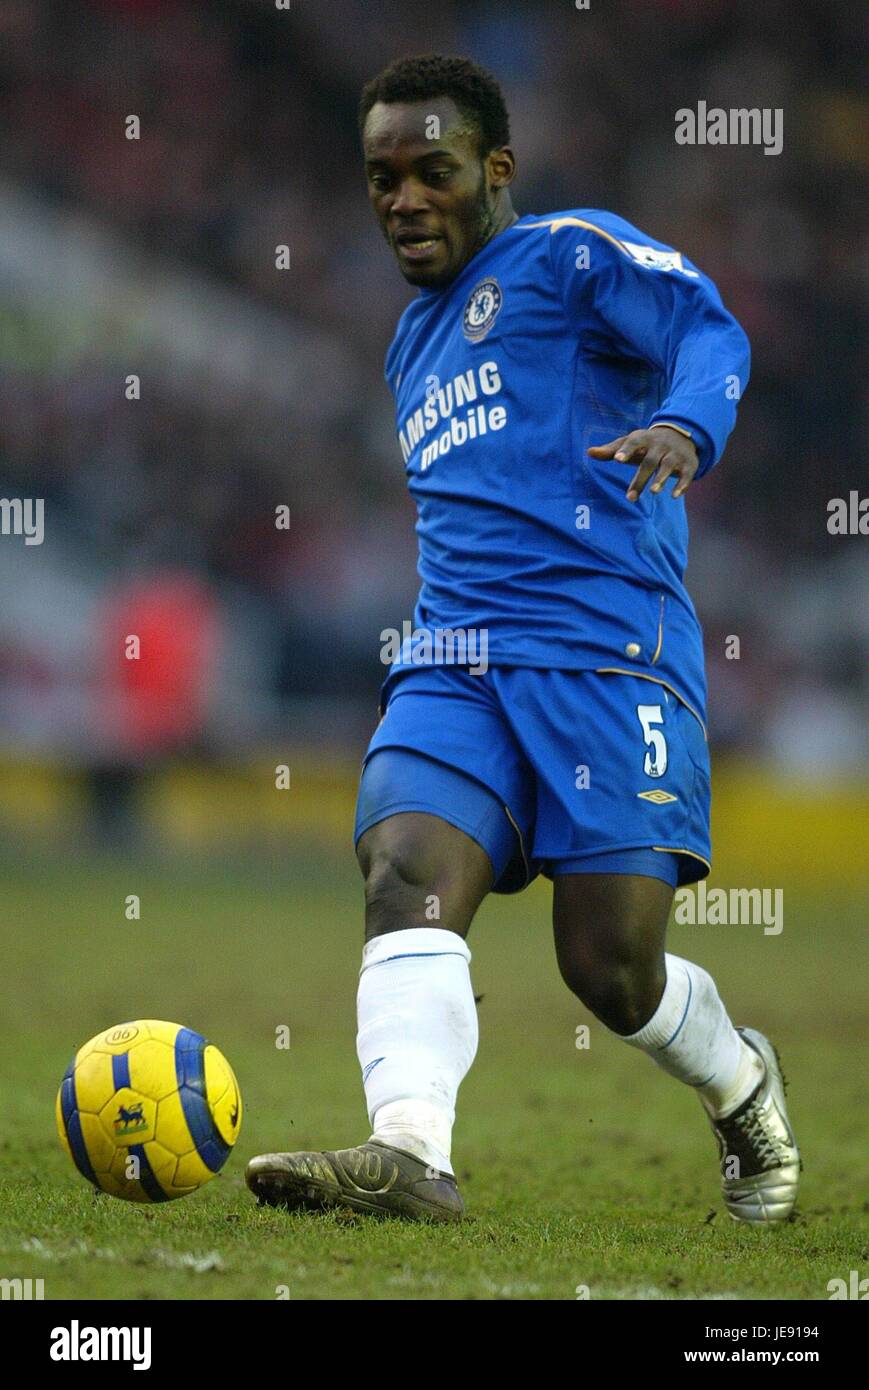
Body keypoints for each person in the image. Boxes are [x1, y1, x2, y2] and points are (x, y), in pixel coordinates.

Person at [246, 54, 799, 1224]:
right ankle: (410, 1151)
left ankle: (741, 1080)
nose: (401, 199)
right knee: (403, 872)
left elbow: (710, 332)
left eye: (430, 171)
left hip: (607, 658)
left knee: (608, 969)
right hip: (454, 662)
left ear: (494, 169)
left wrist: (681, 427)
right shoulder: (408, 342)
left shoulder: (568, 254)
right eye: (380, 178)